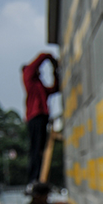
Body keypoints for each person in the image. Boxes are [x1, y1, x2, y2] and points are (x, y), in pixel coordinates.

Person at [23, 52, 59, 184]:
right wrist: (52, 59)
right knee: (36, 149)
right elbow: (42, 56)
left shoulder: (39, 86)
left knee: (41, 149)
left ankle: (39, 177)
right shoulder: (28, 75)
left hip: (41, 117)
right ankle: (34, 179)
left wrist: (56, 73)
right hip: (35, 117)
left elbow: (55, 89)